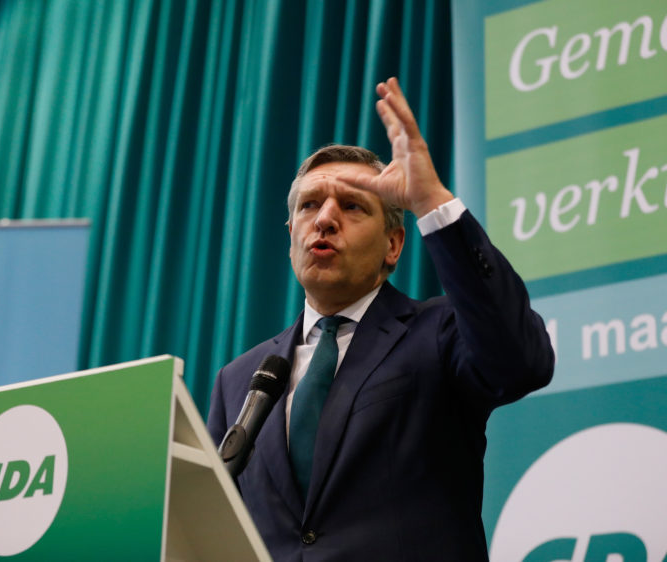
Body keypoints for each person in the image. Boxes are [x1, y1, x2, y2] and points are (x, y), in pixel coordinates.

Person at [207, 77, 554, 561]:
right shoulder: (240, 380)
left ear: (393, 244)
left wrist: (430, 199)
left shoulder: (438, 334)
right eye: (310, 205)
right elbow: (213, 529)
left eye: (352, 205)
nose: (324, 219)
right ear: (291, 236)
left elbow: (522, 362)